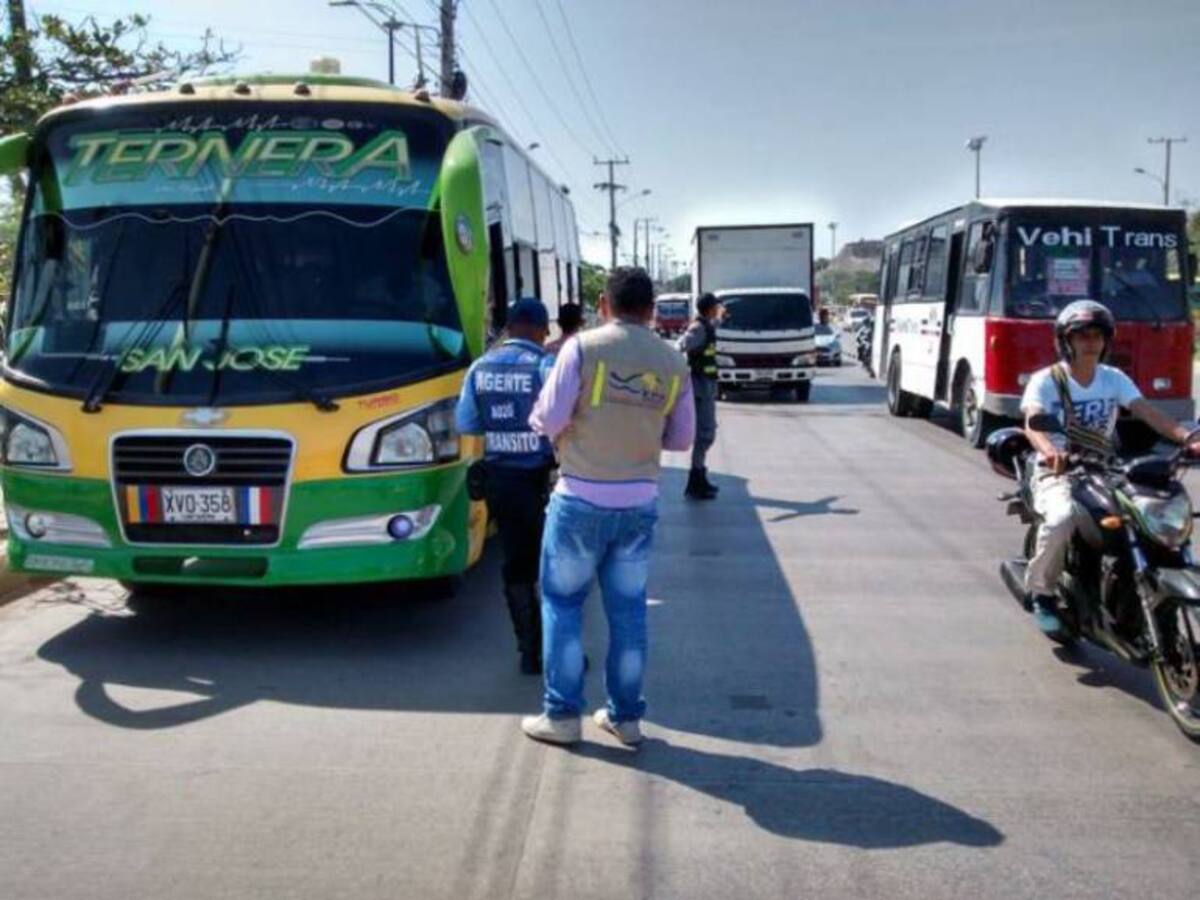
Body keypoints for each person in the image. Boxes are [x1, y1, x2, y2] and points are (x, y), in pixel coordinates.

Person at [521, 267, 695, 746]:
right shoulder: (672, 361)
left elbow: (549, 417)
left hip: (578, 497)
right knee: (629, 614)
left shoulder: (583, 348)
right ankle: (626, 718)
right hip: (639, 504)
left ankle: (561, 717)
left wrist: (551, 424)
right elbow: (681, 438)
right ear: (652, 309)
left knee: (562, 605)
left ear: (604, 305)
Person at [1021, 299, 1200, 636]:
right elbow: (1032, 421)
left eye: (1097, 335)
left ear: (1106, 341)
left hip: (1103, 466)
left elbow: (1148, 412)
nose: (1090, 341)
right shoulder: (1048, 380)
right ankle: (1041, 593)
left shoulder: (1113, 378)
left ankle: (1134, 588)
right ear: (1066, 341)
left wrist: (1187, 439)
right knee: (1061, 519)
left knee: (1149, 512)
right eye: (1082, 335)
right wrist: (1048, 451)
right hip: (1057, 468)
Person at [455, 298, 556, 674]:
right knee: (554, 569)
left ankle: (528, 651)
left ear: (510, 328)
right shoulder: (545, 365)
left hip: (501, 482)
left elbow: (466, 423)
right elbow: (561, 418)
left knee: (516, 567)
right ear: (543, 330)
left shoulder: (479, 368)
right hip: (541, 482)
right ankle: (556, 652)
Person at [676, 292, 722, 500]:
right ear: (709, 308)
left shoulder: (707, 325)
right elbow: (681, 345)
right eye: (716, 307)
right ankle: (696, 480)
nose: (718, 309)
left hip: (707, 386)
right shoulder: (698, 328)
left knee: (706, 433)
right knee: (705, 434)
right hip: (700, 388)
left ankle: (699, 477)